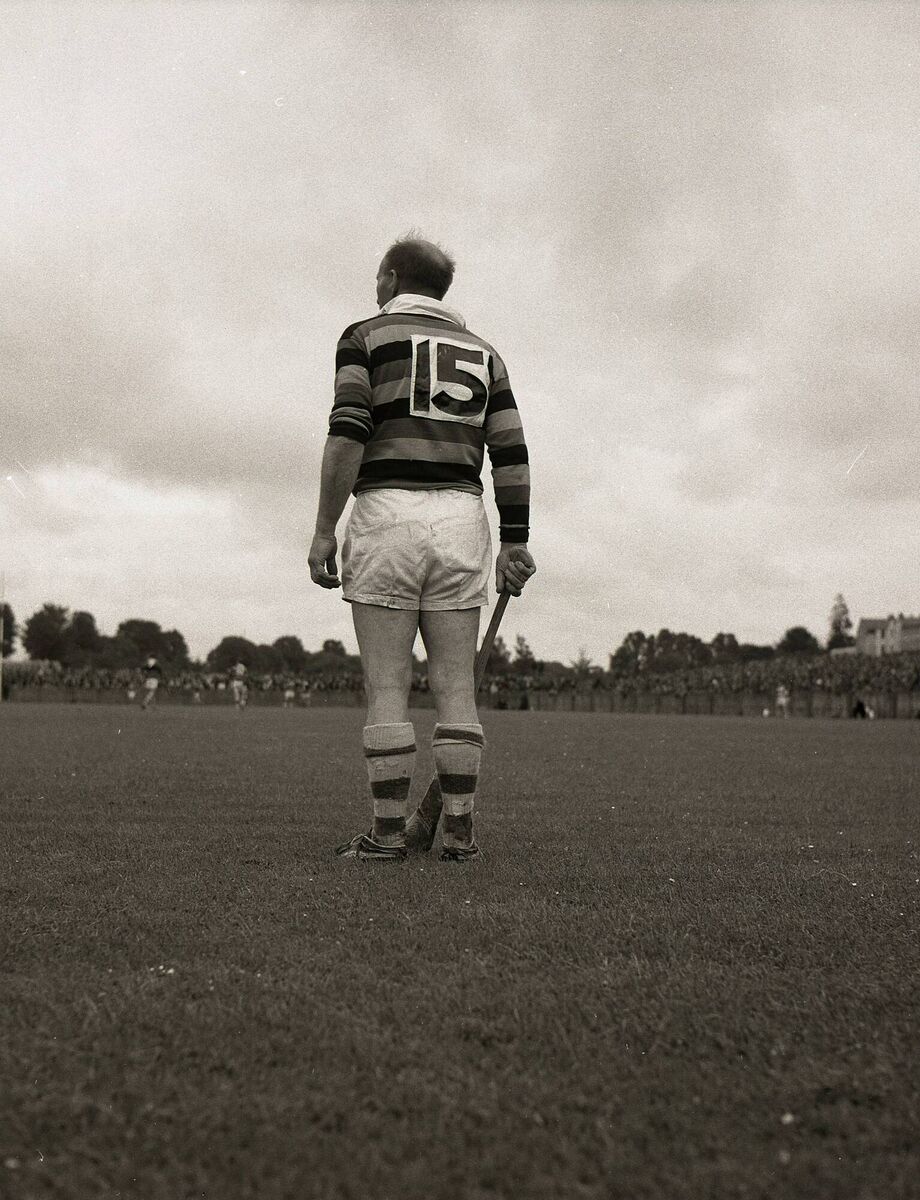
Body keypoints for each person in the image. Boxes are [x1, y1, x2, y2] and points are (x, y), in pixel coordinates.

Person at [309, 235, 535, 863]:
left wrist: (326, 526)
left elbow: (348, 433)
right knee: (455, 689)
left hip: (387, 511)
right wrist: (514, 539)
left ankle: (386, 836)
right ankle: (458, 835)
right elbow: (511, 453)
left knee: (388, 687)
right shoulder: (486, 353)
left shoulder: (364, 337)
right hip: (462, 515)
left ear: (388, 277)